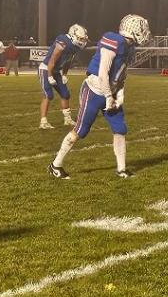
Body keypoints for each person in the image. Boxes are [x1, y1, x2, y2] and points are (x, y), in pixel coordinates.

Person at [49, 14, 151, 179]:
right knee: (81, 131)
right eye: (141, 29)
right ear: (132, 30)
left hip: (110, 91)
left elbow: (121, 74)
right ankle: (55, 165)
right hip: (95, 89)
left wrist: (119, 94)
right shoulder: (113, 40)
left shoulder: (129, 48)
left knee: (120, 129)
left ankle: (122, 169)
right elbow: (103, 72)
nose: (145, 32)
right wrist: (109, 96)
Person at [39, 24, 89, 129]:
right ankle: (43, 122)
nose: (82, 41)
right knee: (48, 95)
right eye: (80, 38)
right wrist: (49, 76)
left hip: (57, 71)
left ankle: (67, 119)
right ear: (72, 35)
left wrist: (64, 74)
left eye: (83, 39)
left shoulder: (74, 47)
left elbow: (68, 61)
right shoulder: (63, 41)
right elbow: (52, 59)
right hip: (46, 68)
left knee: (65, 94)